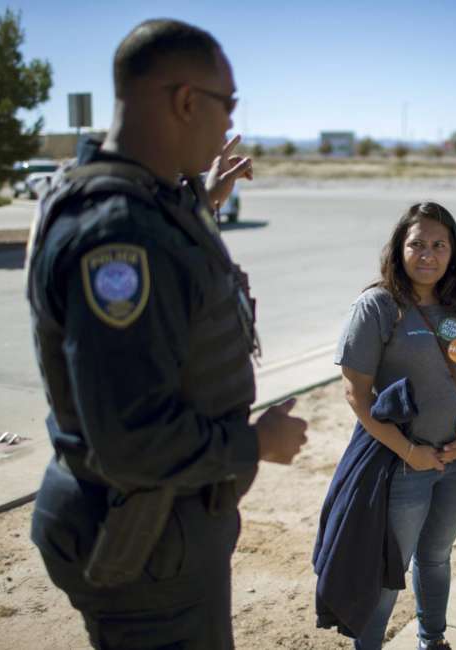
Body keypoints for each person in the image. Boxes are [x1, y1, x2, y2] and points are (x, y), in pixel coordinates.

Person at [25, 19, 307, 649]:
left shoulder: (129, 201)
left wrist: (204, 200)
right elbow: (131, 440)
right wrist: (256, 443)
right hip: (147, 545)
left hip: (154, 532)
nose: (230, 121)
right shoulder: (121, 237)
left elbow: (158, 254)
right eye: (226, 103)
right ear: (186, 101)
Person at [335, 202, 456, 649]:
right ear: (400, 248)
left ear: (453, 251)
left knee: (436, 558)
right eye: (417, 244)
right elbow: (356, 392)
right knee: (390, 569)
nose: (428, 254)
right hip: (400, 464)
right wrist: (410, 452)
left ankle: (433, 639)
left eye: (439, 245)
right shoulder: (378, 306)